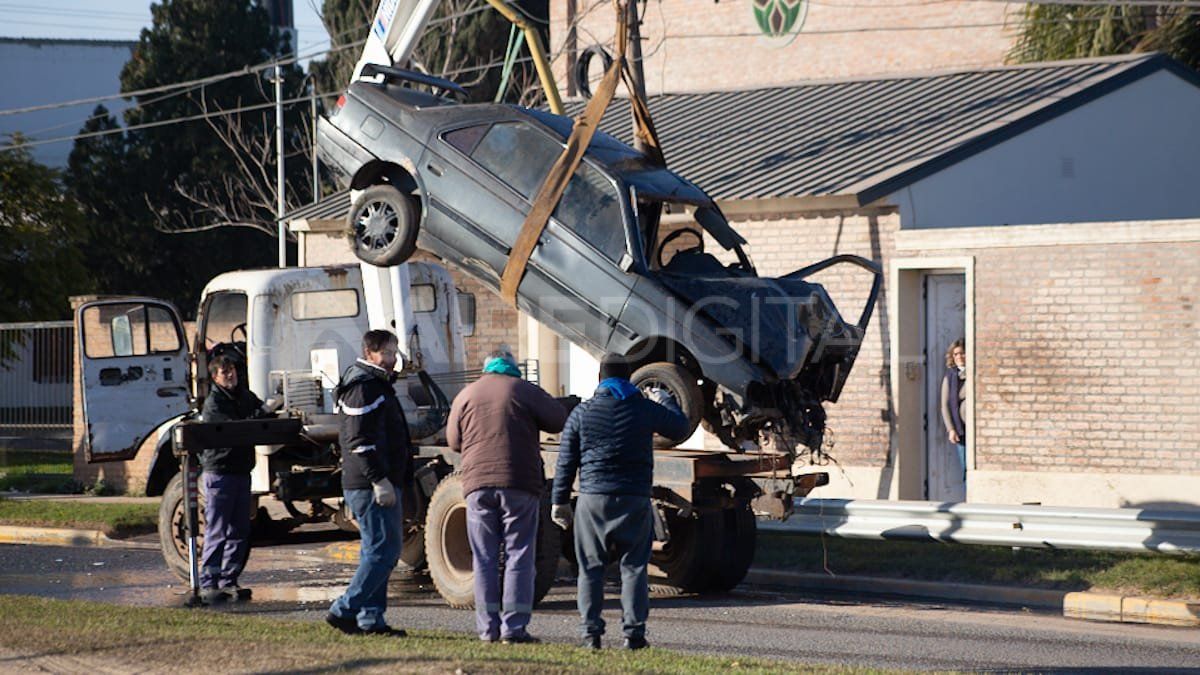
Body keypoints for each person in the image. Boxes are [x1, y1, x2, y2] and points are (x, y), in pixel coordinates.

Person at [550, 353, 691, 650]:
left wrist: (559, 501)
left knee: (590, 569)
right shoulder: (644, 409)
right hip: (634, 499)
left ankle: (591, 635)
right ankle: (634, 635)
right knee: (634, 568)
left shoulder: (582, 413)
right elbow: (679, 428)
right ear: (628, 379)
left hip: (593, 500)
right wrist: (664, 399)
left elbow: (565, 461)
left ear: (600, 379)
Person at [447, 348, 568, 644]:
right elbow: (558, 420)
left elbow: (453, 441)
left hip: (477, 485)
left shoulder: (467, 394)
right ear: (513, 366)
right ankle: (513, 629)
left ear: (486, 367)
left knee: (485, 558)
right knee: (519, 555)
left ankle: (487, 630)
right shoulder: (524, 389)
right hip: (518, 483)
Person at [326, 329, 422, 636]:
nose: (393, 361)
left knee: (377, 552)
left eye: (395, 354)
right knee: (385, 551)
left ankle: (371, 620)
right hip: (369, 485)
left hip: (375, 482)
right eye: (387, 354)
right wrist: (379, 480)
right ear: (369, 354)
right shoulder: (364, 387)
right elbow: (359, 441)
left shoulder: (376, 384)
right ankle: (344, 610)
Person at [198, 354, 281, 604]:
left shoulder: (243, 396)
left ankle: (229, 580)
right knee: (217, 529)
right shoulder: (215, 404)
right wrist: (264, 411)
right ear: (215, 377)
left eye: (232, 370)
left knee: (239, 530)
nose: (230, 375)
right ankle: (209, 584)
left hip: (241, 471)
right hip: (220, 473)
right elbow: (237, 428)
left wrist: (270, 411)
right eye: (224, 372)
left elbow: (258, 417)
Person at [940, 338, 969, 481]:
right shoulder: (950, 376)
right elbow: (944, 405)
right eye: (956, 354)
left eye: (962, 353)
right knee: (965, 468)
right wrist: (951, 429)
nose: (959, 357)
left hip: (974, 430)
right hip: (960, 430)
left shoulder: (973, 373)